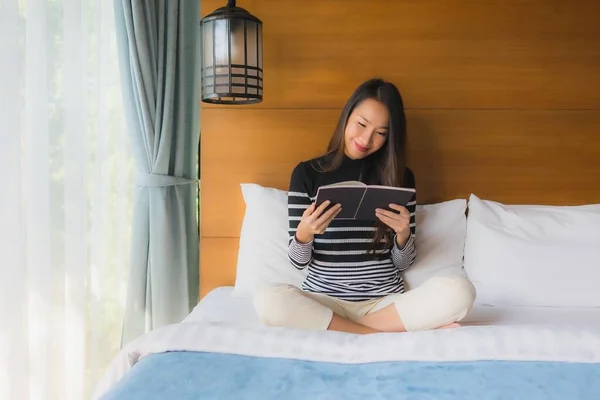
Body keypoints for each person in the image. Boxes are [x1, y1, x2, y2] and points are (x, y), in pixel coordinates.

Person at [253, 78, 476, 334]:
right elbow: (297, 262)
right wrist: (305, 233)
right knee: (267, 299)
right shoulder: (307, 174)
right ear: (347, 117)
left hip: (383, 302)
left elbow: (403, 264)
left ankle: (349, 329)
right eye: (361, 124)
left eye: (380, 133)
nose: (366, 138)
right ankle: (375, 332)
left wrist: (403, 235)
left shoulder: (401, 178)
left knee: (460, 291)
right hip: (325, 301)